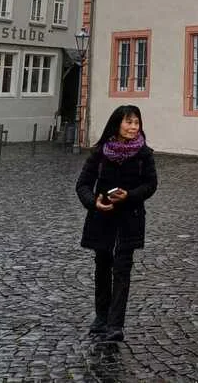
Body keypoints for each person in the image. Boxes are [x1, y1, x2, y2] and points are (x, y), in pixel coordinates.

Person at [74, 105, 159, 343]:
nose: (133, 127)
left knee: (122, 269)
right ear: (117, 124)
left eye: (136, 123)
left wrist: (129, 196)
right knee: (102, 266)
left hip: (129, 218)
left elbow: (151, 185)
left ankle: (115, 323)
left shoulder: (144, 154)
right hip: (102, 217)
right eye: (129, 122)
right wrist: (94, 202)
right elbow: (82, 185)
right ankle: (101, 317)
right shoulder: (100, 153)